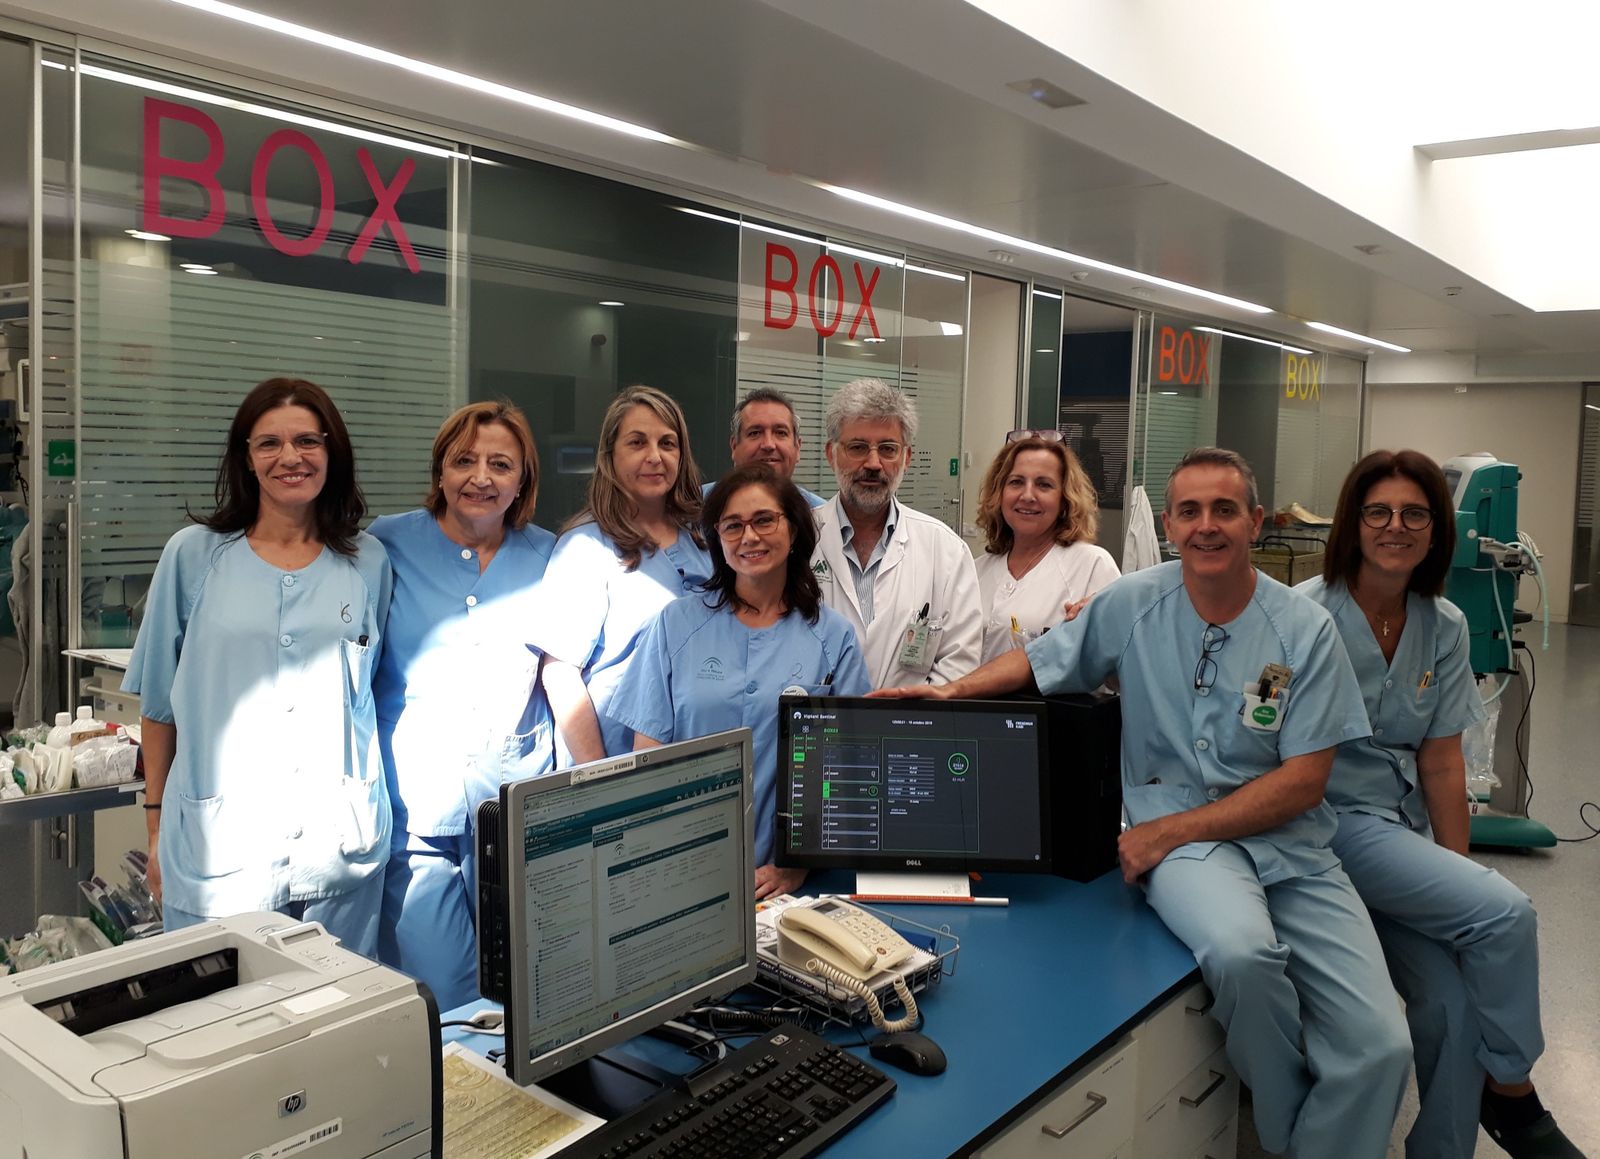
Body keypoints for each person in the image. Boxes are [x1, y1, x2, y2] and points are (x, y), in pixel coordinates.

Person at [877, 447, 1412, 1159]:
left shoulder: (1304, 630)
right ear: (1168, 523)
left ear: (1254, 521)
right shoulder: (1135, 602)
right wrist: (950, 691)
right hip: (1193, 849)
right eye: (1189, 511)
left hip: (1286, 844)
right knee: (1242, 953)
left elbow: (1303, 782)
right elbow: (1044, 659)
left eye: (1225, 509)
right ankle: (1288, 1131)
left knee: (1382, 1044)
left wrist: (1163, 832)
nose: (1207, 525)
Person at [1299, 450, 1582, 1159]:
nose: (1396, 525)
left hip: (1401, 837)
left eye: (1415, 513)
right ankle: (1515, 1093)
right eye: (1379, 511)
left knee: (1451, 1005)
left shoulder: (1445, 623)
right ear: (1353, 523)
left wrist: (1452, 875)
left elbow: (1442, 759)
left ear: (1435, 529)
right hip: (1327, 826)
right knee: (1507, 911)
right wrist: (1470, 894)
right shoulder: (1303, 614)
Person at [122, 377, 392, 954]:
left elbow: (365, 691)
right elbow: (159, 707)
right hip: (221, 851)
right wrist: (154, 827)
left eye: (307, 442)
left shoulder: (367, 561)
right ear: (246, 458)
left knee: (341, 1025)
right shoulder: (193, 556)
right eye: (269, 443)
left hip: (338, 847)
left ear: (332, 453)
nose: (290, 457)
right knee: (221, 1026)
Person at [370, 400, 555, 1009]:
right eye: (464, 461)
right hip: (417, 808)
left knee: (527, 991)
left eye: (501, 463)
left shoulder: (551, 556)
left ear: (523, 477)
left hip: (516, 804)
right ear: (440, 471)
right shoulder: (385, 546)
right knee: (443, 997)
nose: (481, 477)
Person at [612, 465, 869, 899]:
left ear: (794, 531)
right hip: (678, 867)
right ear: (717, 539)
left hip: (781, 881)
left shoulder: (833, 637)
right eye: (733, 525)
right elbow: (647, 761)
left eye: (764, 520)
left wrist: (797, 866)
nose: (749, 537)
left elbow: (848, 771)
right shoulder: (677, 624)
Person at [532, 385, 712, 764]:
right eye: (637, 442)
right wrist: (600, 777)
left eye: (668, 443)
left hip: (695, 758)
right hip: (617, 761)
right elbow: (561, 676)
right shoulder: (585, 548)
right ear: (610, 456)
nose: (655, 456)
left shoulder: (701, 539)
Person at [811, 378, 981, 688]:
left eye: (888, 449)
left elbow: (960, 658)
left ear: (906, 458)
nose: (873, 463)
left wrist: (905, 718)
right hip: (818, 721)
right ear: (831, 454)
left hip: (910, 726)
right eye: (858, 447)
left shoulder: (945, 550)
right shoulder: (799, 539)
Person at [973, 432, 1120, 664]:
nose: (1027, 495)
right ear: (999, 493)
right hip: (966, 699)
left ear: (1065, 499)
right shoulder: (977, 570)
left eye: (1044, 485)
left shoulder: (1091, 565)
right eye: (1016, 482)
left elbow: (1117, 663)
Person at [705, 387, 825, 507]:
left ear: (797, 448)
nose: (768, 445)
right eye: (755, 433)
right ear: (734, 446)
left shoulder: (820, 518)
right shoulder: (694, 509)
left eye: (780, 433)